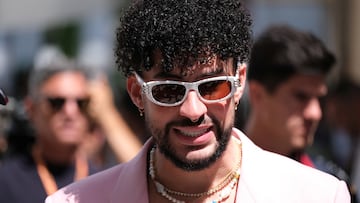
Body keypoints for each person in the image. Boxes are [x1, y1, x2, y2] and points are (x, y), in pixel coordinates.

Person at [45, 0, 350, 202]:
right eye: (168, 91)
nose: (193, 110)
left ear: (239, 82)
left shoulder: (318, 195)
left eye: (213, 87)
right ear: (138, 93)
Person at [244, 24, 356, 201]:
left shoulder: (329, 185)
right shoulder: (211, 179)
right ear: (257, 94)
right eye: (300, 97)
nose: (315, 113)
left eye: (319, 98)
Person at [0, 46, 100, 203]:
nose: (70, 112)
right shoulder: (5, 182)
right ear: (31, 108)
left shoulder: (107, 181)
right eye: (57, 102)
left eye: (81, 103)